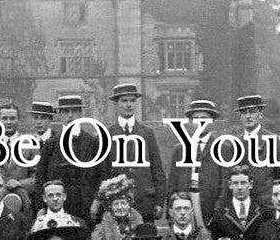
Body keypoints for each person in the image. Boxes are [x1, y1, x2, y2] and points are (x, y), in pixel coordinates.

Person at [33, 95, 104, 222]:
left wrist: (97, 201)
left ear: (81, 113)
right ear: (60, 114)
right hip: (57, 206)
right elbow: (40, 177)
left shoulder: (93, 142)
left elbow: (102, 175)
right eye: (66, 111)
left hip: (86, 206)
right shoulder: (51, 144)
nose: (70, 115)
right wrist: (41, 207)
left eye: (74, 111)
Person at [102, 83, 166, 222]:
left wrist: (159, 202)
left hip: (145, 202)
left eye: (132, 101)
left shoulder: (147, 133)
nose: (129, 105)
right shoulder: (107, 134)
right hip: (116, 204)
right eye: (124, 101)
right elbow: (103, 172)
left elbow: (157, 170)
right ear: (116, 103)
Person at [166, 99, 225, 226]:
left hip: (210, 204)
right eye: (196, 118)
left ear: (212, 121)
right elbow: (172, 181)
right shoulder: (180, 149)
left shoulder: (222, 148)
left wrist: (219, 208)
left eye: (204, 118)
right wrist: (172, 205)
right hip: (184, 203)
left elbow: (224, 182)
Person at [206, 166, 268, 240]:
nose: (239, 187)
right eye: (235, 183)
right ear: (230, 185)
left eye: (243, 183)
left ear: (250, 184)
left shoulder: (263, 211)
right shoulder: (220, 213)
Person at [19, 180, 90, 240]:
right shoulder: (35, 224)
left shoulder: (78, 222)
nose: (55, 199)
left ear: (64, 196)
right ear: (44, 198)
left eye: (58, 195)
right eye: (50, 195)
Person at [90, 175, 142, 240]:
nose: (120, 207)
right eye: (116, 204)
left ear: (129, 205)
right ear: (110, 207)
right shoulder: (101, 230)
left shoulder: (139, 225)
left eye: (123, 203)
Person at [231, 95, 275, 209]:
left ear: (260, 114)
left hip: (267, 204)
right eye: (244, 113)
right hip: (242, 204)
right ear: (240, 117)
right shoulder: (234, 143)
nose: (248, 116)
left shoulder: (274, 141)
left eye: (252, 112)